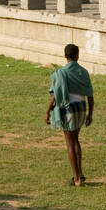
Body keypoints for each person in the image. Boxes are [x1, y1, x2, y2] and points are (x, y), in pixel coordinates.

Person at [45, 43, 94, 186]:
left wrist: (47, 112)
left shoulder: (61, 73)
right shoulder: (83, 72)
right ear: (77, 56)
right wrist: (90, 114)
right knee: (76, 139)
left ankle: (76, 178)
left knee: (69, 142)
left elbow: (55, 95)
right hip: (81, 107)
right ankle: (81, 174)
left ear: (65, 56)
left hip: (69, 109)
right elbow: (90, 95)